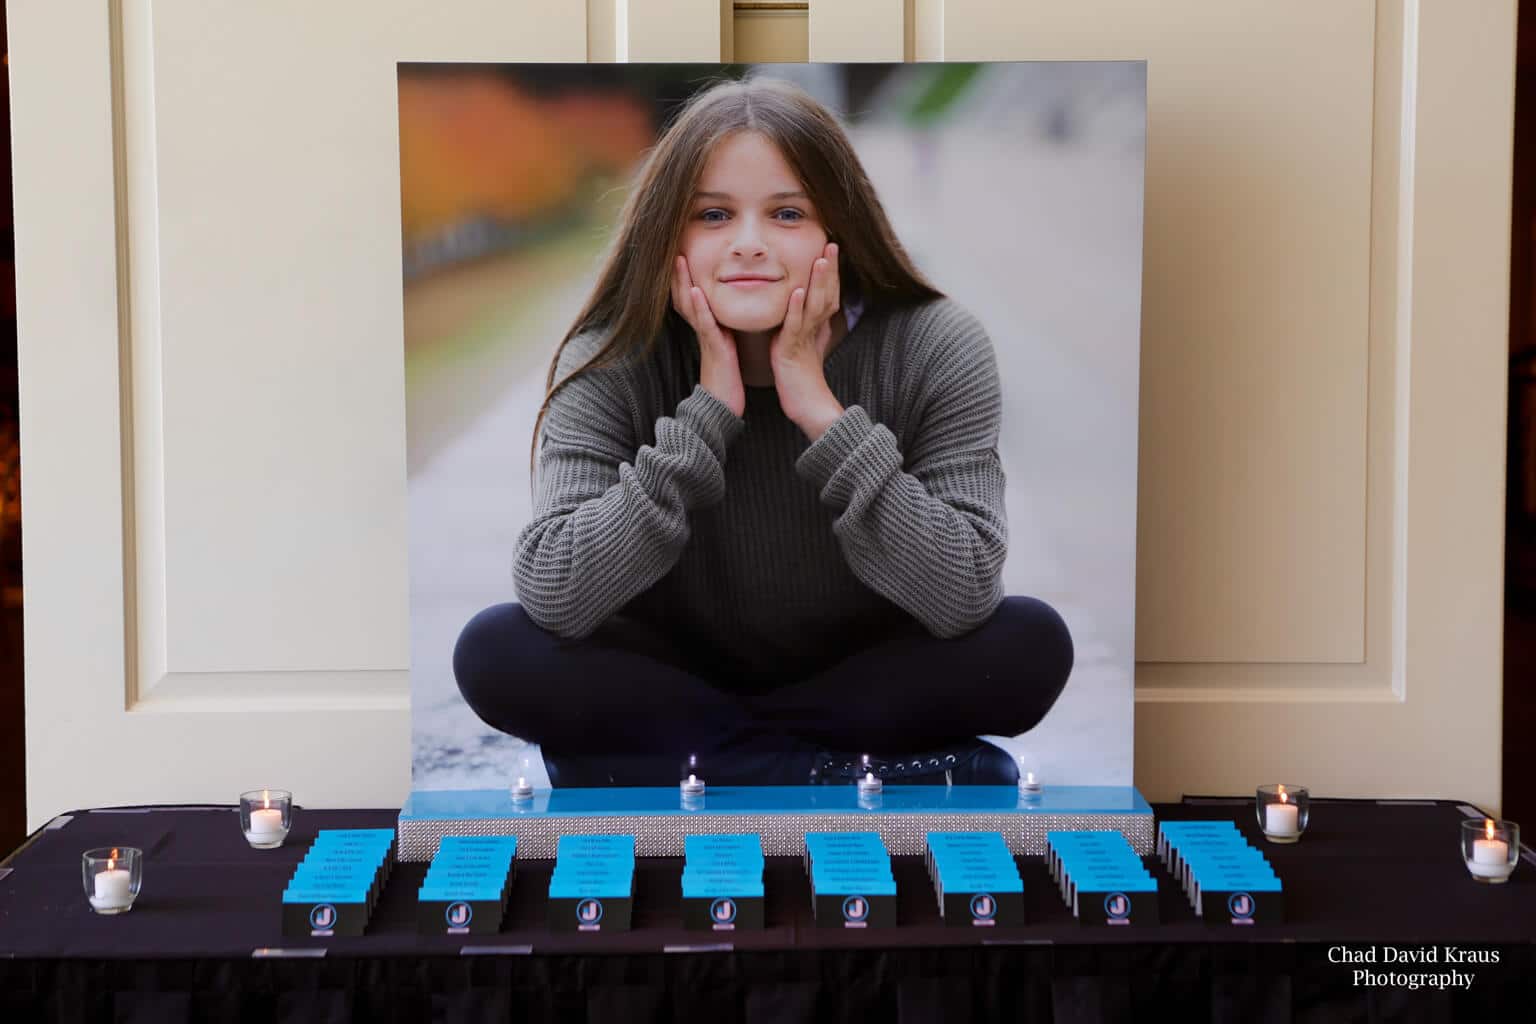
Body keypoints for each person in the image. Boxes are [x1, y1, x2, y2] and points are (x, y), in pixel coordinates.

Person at [453, 75, 1073, 787]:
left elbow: (966, 593)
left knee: (1030, 642)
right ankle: (825, 771)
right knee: (495, 651)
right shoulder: (613, 354)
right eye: (713, 216)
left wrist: (818, 408)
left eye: (786, 214)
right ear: (668, 232)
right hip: (671, 676)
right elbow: (555, 590)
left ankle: (693, 759)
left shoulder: (936, 343)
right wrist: (707, 413)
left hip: (862, 677)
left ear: (837, 231)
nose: (749, 244)